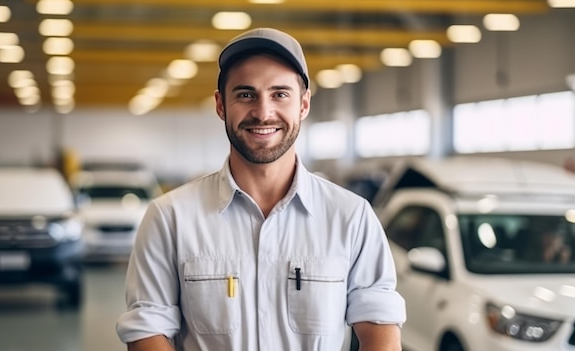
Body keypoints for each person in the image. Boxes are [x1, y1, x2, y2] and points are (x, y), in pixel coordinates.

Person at [116, 27, 406, 351]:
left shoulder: (352, 217)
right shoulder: (170, 218)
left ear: (304, 105)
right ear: (220, 105)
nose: (263, 112)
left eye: (280, 94)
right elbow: (147, 331)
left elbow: (380, 329)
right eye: (245, 94)